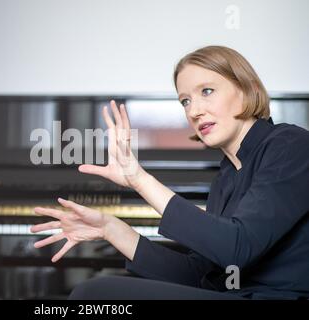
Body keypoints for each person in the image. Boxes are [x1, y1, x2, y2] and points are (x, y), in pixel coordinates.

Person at [30, 46, 309, 300]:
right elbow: (202, 278)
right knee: (92, 292)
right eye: (185, 101)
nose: (195, 111)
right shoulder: (226, 178)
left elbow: (237, 248)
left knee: (95, 294)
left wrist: (139, 179)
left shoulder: (290, 145)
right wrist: (110, 229)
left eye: (207, 91)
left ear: (245, 90)